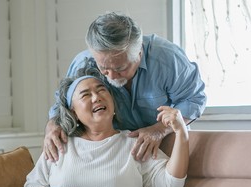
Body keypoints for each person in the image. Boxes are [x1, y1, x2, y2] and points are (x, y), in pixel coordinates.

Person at [23, 64, 189, 187]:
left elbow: (171, 184)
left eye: (101, 90)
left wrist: (181, 133)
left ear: (113, 103)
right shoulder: (60, 145)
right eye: (85, 95)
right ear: (73, 111)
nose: (96, 97)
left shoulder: (134, 143)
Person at [44, 11, 206, 162]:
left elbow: (194, 100)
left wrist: (159, 130)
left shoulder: (168, 59)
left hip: (166, 143)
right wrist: (52, 126)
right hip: (114, 152)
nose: (111, 76)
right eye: (103, 68)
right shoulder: (83, 63)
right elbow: (62, 106)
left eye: (120, 68)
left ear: (139, 53)